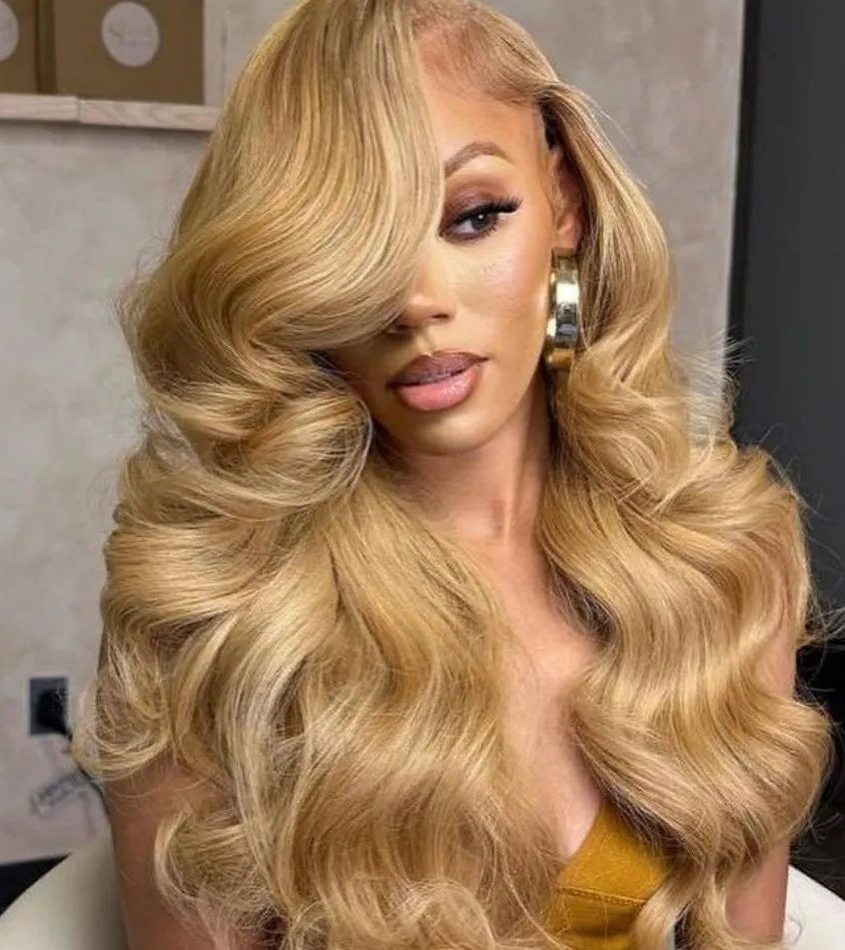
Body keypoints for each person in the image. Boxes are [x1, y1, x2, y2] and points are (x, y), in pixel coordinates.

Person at [71, 0, 836, 947]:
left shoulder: (723, 556)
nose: (414, 301)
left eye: (473, 218)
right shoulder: (215, 612)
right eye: (351, 245)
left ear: (565, 203)